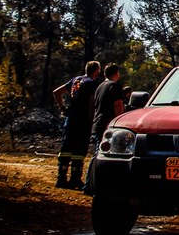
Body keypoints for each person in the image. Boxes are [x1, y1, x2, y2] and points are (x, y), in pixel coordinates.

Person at [53, 60, 101, 189]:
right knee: (79, 150)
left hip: (71, 119)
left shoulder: (76, 80)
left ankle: (61, 179)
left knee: (66, 148)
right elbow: (91, 104)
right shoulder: (91, 84)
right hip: (83, 120)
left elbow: (57, 92)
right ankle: (75, 179)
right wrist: (92, 122)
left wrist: (63, 108)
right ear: (96, 70)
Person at [83, 63, 125, 194]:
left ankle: (90, 184)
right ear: (116, 73)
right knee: (99, 156)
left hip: (97, 123)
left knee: (97, 154)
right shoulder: (115, 86)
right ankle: (90, 185)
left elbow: (93, 106)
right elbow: (118, 105)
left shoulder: (100, 86)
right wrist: (121, 123)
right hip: (108, 126)